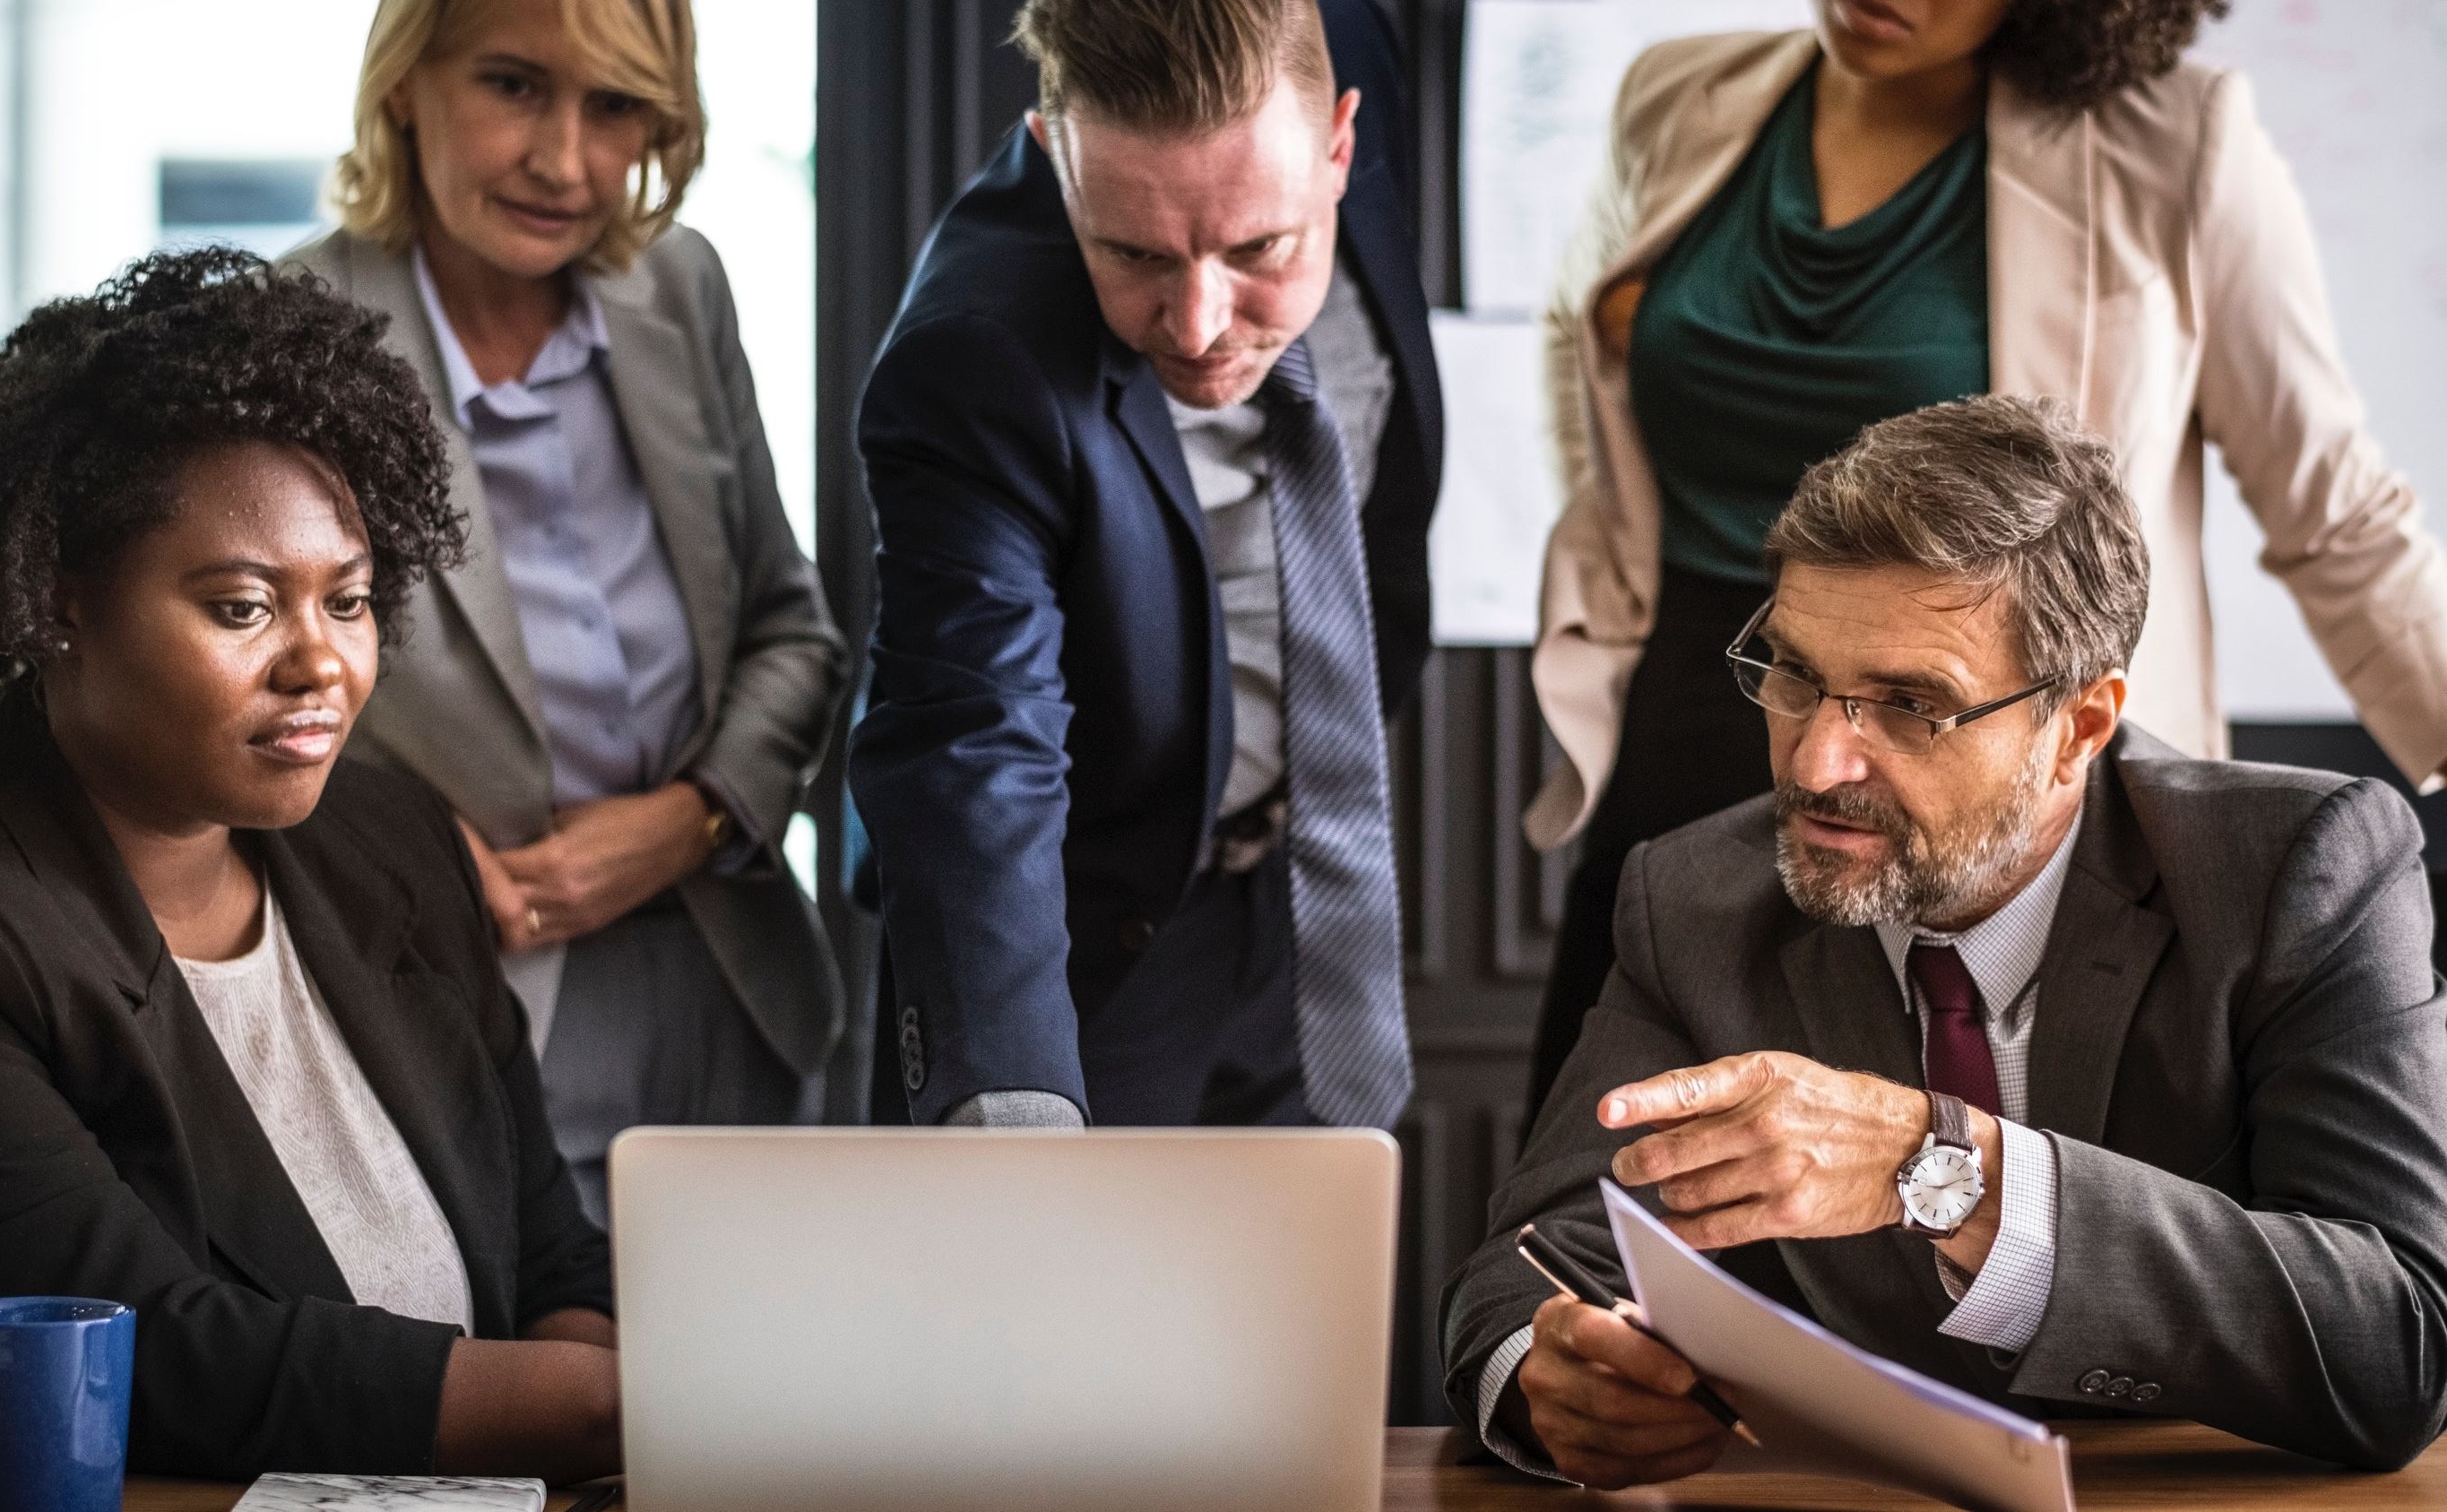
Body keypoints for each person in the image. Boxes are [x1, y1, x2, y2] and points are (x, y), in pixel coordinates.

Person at [1447, 395, 2447, 1485]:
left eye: (1912, 705)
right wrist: (1553, 1380)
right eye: (1794, 675)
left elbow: (2400, 1342)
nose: (1818, 763)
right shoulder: (1691, 896)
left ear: (2079, 729)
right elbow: (1532, 1265)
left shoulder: (2297, 868)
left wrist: (1955, 1171)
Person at [0, 249, 623, 1482]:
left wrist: (588, 1443)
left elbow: (548, 1250)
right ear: (59, 603)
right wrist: (600, 1410)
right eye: (242, 607)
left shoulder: (395, 842)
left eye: (351, 599)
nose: (320, 662)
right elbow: (146, 1360)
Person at [1522, 0, 2447, 1108]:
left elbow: (2335, 509)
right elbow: (1588, 350)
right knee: (1614, 1187)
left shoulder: (2174, 141)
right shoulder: (1677, 94)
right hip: (1699, 709)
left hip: (1977, 762)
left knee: (1973, 1209)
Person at [288, 0, 849, 1209]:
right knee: (560, 1386)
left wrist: (693, 816)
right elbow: (222, 704)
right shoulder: (292, 335)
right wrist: (418, 849)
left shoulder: (682, 286)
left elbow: (789, 629)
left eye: (616, 105)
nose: (568, 161)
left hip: (736, 983)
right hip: (456, 990)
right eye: (514, 86)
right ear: (404, 81)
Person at [852, 0, 1443, 1129]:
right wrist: (1010, 1098)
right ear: (1052, 154)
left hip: (1312, 888)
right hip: (1080, 937)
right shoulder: (973, 360)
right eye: (1134, 253)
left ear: (1341, 146)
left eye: (1260, 248)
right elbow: (971, 738)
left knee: (1315, 1293)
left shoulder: (1347, 45)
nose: (1199, 323)